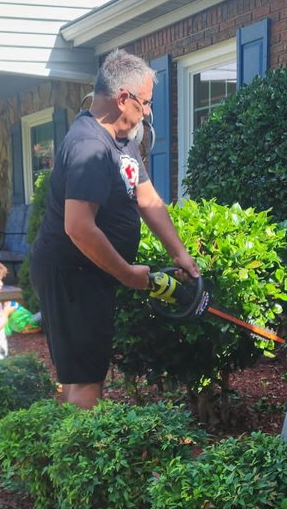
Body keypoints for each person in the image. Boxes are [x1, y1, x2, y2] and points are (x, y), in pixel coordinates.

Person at [28, 49, 199, 409]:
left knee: (84, 371)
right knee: (86, 377)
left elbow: (147, 197)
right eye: (146, 103)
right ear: (123, 99)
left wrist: (179, 254)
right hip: (72, 274)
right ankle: (83, 460)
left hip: (90, 272)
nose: (148, 111)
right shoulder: (89, 147)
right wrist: (127, 275)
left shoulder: (121, 140)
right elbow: (78, 228)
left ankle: (76, 452)